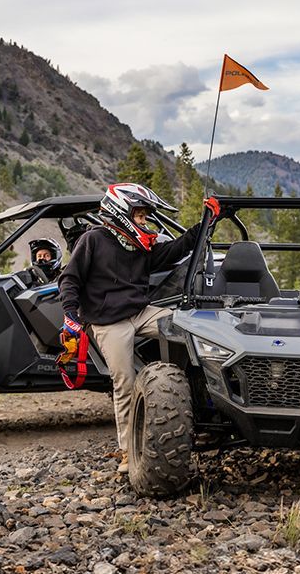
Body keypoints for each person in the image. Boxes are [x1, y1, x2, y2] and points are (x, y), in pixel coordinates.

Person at [59, 183, 218, 472]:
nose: (144, 221)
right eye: (141, 215)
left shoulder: (140, 246)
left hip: (140, 312)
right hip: (109, 322)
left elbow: (175, 249)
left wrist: (206, 222)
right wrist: (71, 315)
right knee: (124, 383)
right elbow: (69, 279)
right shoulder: (93, 240)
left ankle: (202, 410)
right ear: (122, 212)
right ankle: (127, 452)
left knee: (191, 329)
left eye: (145, 216)